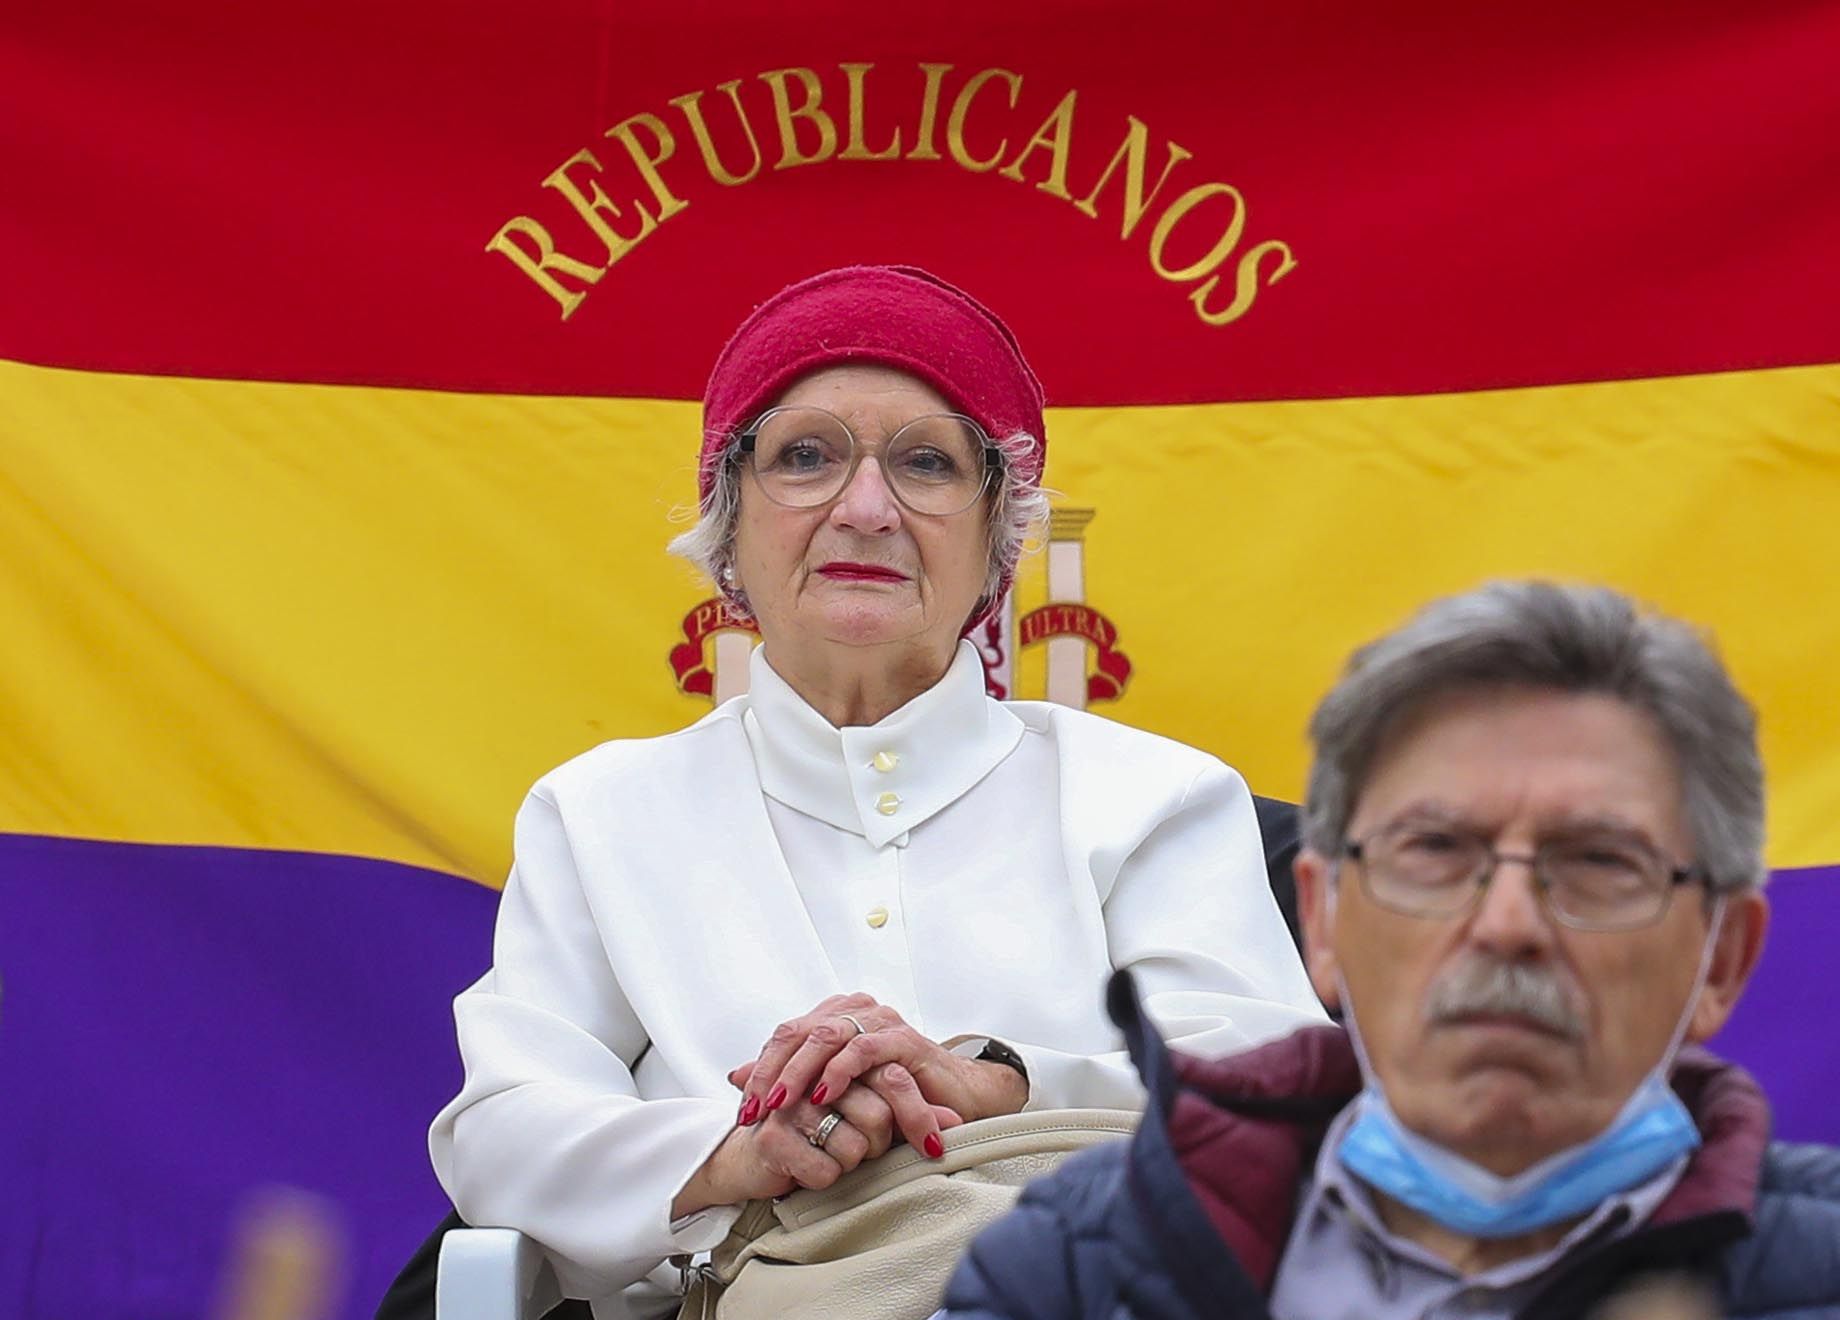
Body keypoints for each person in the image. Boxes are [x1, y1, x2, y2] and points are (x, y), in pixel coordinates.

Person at [422, 265, 1325, 1318]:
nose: (864, 508)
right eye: (805, 457)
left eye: (926, 464)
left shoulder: (1156, 798)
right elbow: (500, 1130)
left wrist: (1004, 1087)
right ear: (726, 532)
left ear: (998, 541)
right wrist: (737, 1152)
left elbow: (1283, 1101)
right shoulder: (600, 812)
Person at [944, 581, 1840, 1319]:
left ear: (1721, 956)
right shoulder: (1066, 1271)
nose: (1507, 925)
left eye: (1599, 862)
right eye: (1436, 852)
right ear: (1323, 922)